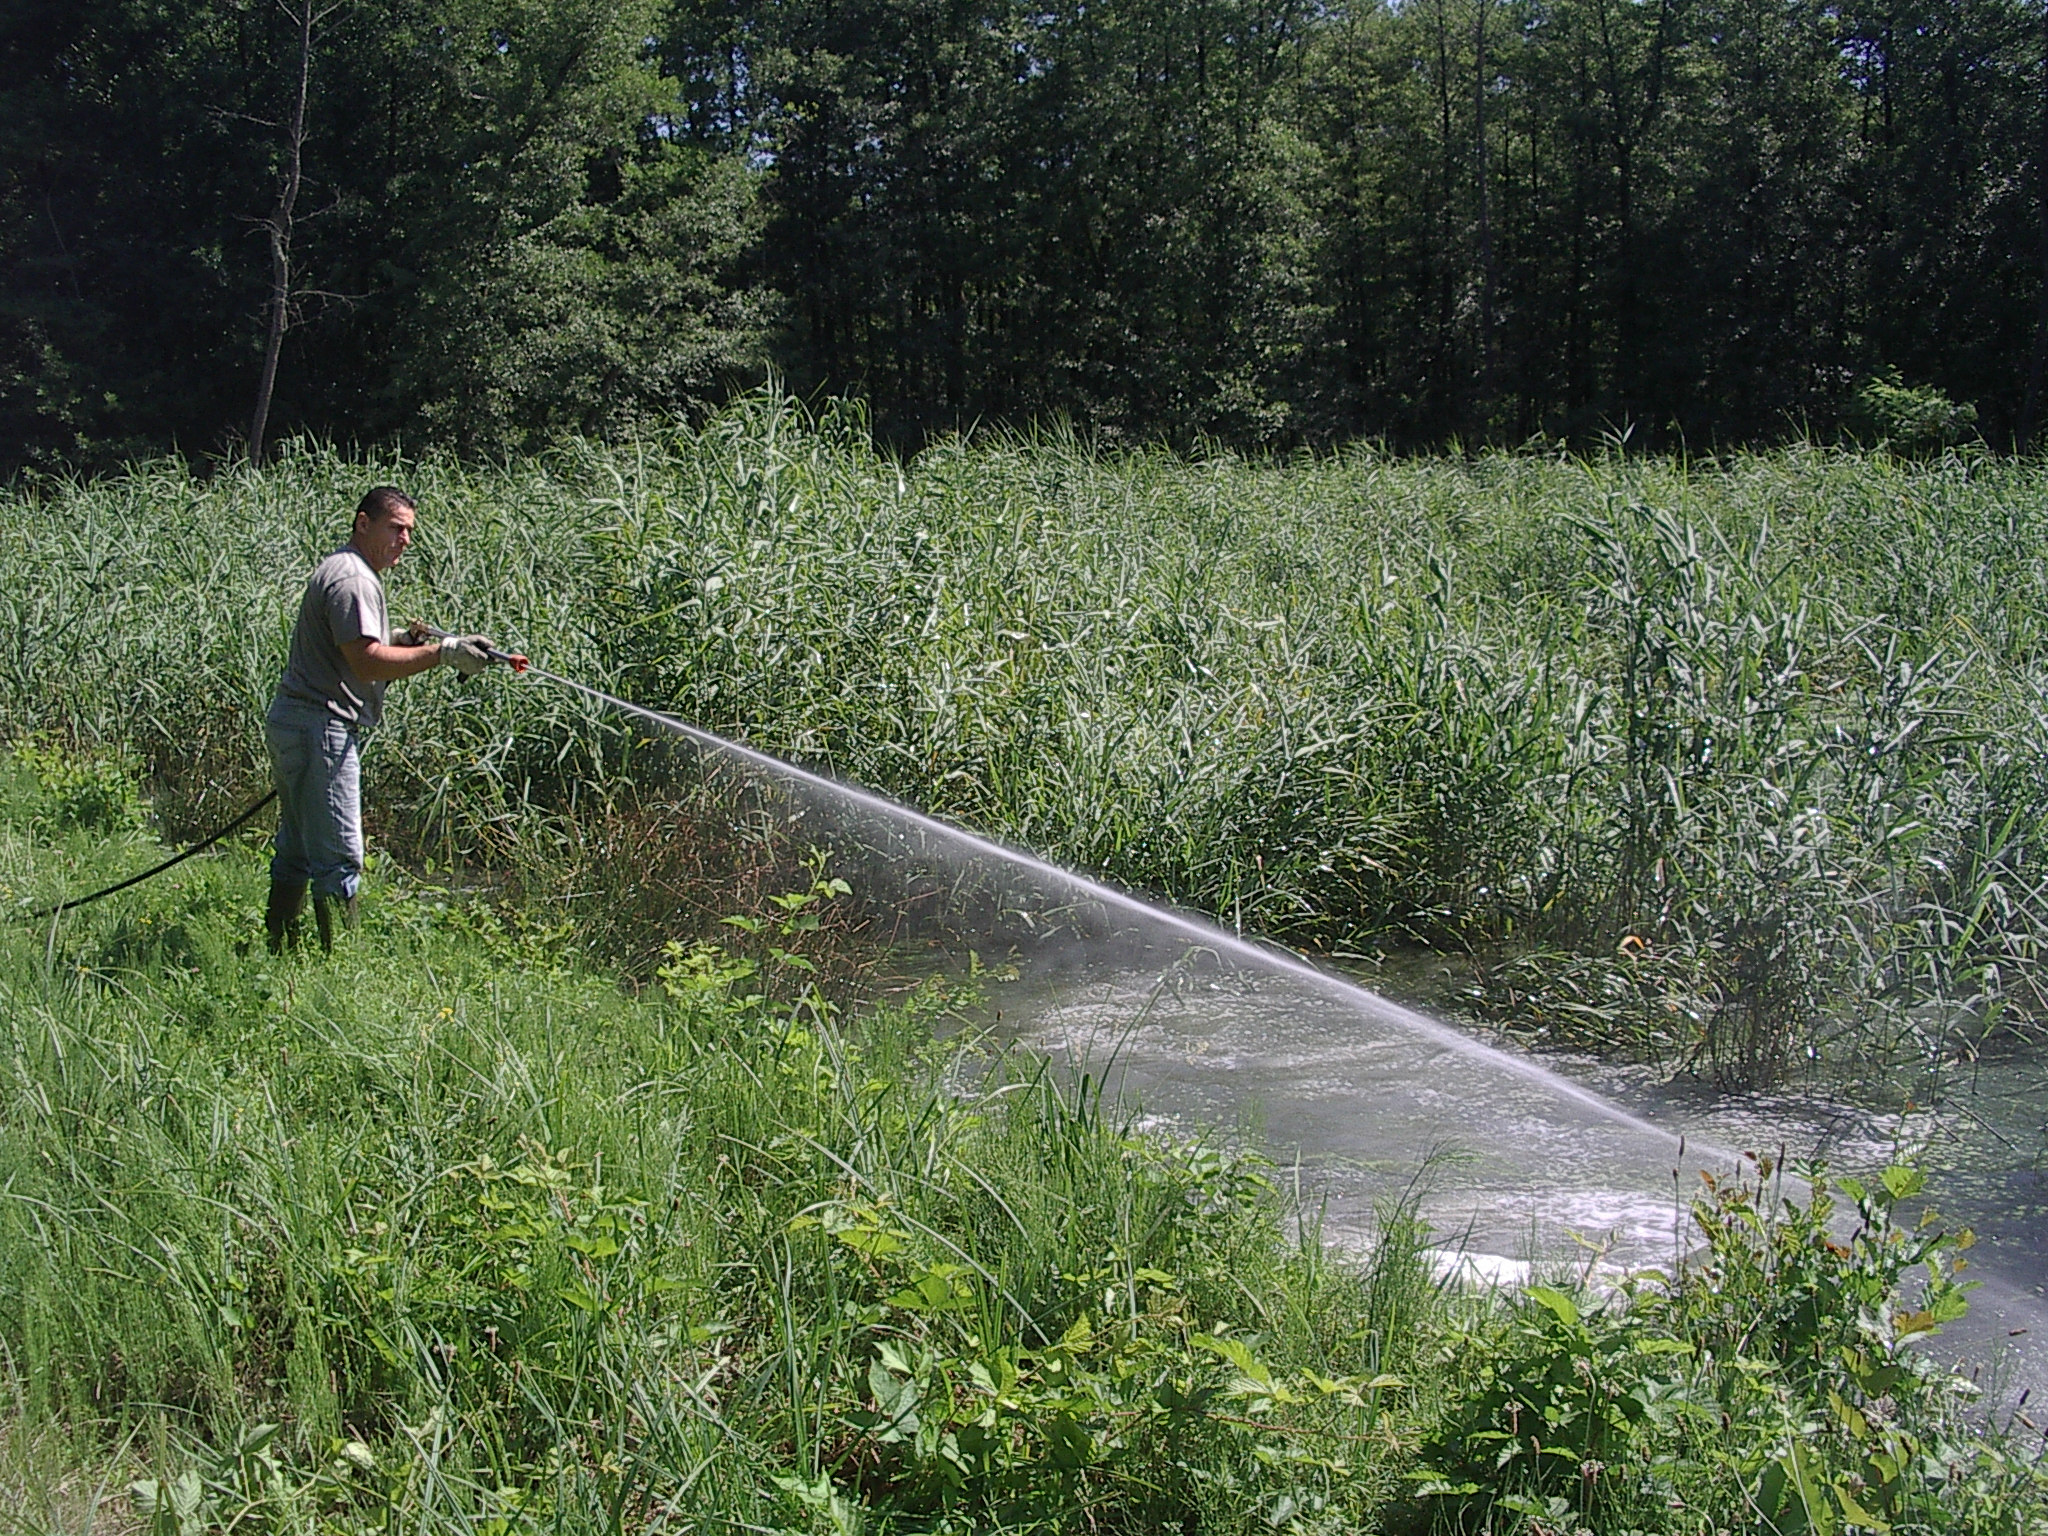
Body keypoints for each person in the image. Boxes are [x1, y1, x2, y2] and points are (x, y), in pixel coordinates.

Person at [263, 486, 494, 954]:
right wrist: (442, 653)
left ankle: (279, 948)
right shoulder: (354, 579)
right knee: (339, 858)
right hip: (319, 727)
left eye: (409, 531)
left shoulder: (345, 568)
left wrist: (407, 642)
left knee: (298, 848)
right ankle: (340, 966)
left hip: (298, 722)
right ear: (363, 523)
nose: (405, 539)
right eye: (395, 527)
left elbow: (350, 648)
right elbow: (367, 663)